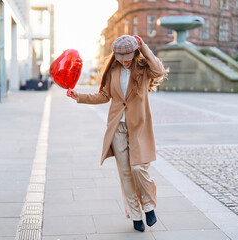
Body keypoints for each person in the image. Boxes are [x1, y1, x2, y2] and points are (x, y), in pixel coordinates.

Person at [67, 35, 168, 232]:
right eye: (121, 57)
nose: (125, 60)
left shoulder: (143, 66)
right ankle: (136, 215)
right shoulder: (113, 70)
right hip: (117, 127)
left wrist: (144, 47)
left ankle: (148, 206)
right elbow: (104, 96)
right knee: (126, 174)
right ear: (115, 56)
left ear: (135, 51)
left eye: (128, 56)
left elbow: (159, 70)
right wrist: (79, 96)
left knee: (139, 168)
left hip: (138, 126)